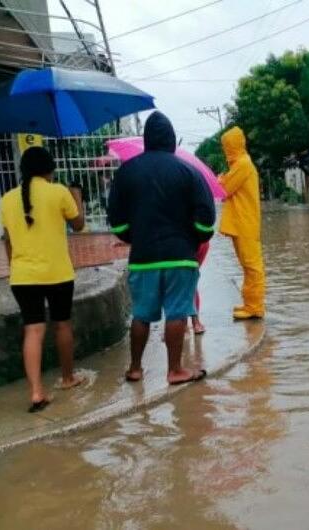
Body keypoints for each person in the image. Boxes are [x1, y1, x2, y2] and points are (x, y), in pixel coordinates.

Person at [107, 111, 216, 385]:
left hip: (143, 258)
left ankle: (134, 368)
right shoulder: (189, 172)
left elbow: (117, 222)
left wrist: (136, 238)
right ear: (171, 141)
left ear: (146, 140)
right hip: (181, 258)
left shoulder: (126, 172)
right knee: (177, 312)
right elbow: (206, 221)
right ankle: (175, 370)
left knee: (141, 314)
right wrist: (193, 238)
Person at [0, 147, 85, 412]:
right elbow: (79, 224)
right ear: (49, 170)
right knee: (62, 325)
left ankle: (36, 392)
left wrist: (15, 266)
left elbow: (7, 240)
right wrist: (77, 197)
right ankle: (68, 378)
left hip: (22, 276)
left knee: (33, 330)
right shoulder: (58, 191)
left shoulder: (7, 199)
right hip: (57, 272)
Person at [218, 127, 266, 320]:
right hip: (242, 223)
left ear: (234, 145)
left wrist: (220, 179)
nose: (225, 150)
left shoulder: (243, 165)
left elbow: (225, 188)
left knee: (252, 266)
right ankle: (250, 304)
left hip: (245, 223)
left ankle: (255, 307)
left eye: (226, 146)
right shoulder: (239, 164)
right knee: (248, 266)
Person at [191, 241, 210, 334]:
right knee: (190, 280)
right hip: (201, 240)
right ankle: (195, 322)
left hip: (189, 241)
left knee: (187, 280)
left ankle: (191, 323)